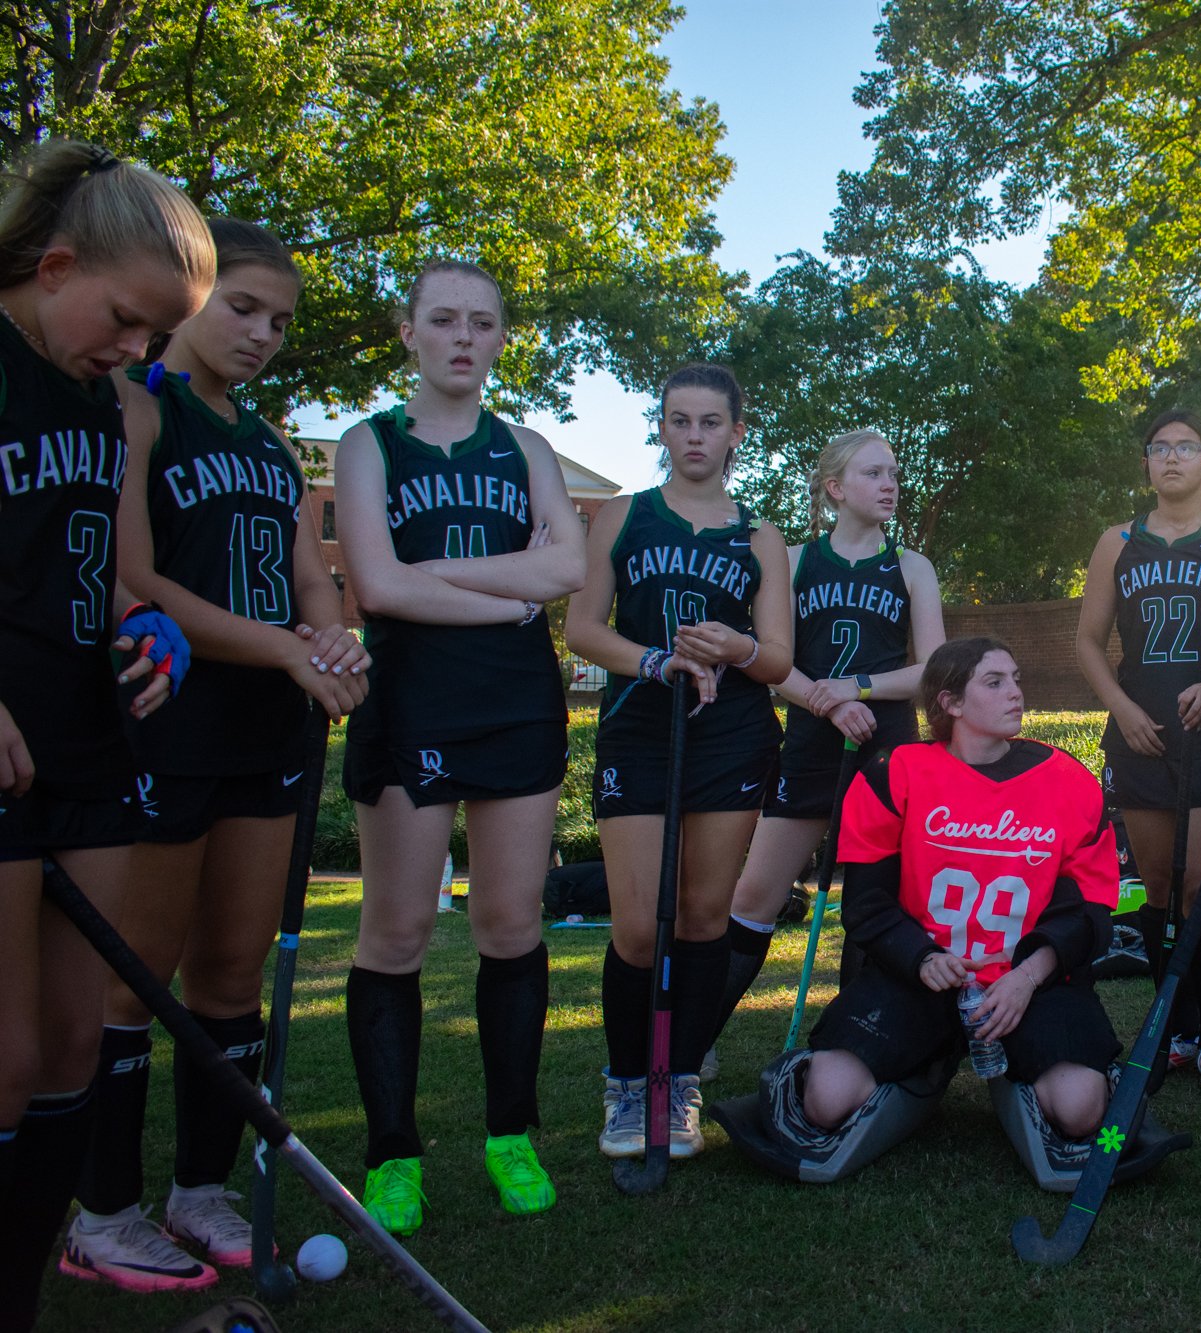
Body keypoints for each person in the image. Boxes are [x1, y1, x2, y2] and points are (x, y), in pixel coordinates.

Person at [60, 220, 367, 1293]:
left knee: (230, 974)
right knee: (131, 981)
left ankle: (198, 1189)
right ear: (189, 295)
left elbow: (308, 577)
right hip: (168, 716)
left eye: (280, 321)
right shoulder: (138, 406)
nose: (262, 334)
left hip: (267, 725)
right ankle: (101, 1212)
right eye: (241, 306)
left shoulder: (274, 444)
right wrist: (288, 646)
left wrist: (326, 635)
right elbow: (136, 579)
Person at [0, 140, 213, 1329]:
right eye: (130, 321)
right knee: (6, 1053)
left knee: (73, 1051)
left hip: (88, 742)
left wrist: (144, 624)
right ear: (57, 264)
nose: (138, 353)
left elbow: (91, 568)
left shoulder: (103, 400)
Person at [334, 260, 585, 1234]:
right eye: (442, 319)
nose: (462, 337)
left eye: (481, 322)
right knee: (394, 934)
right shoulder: (368, 445)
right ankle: (393, 1154)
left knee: (510, 925)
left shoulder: (524, 444)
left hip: (518, 705)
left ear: (499, 338)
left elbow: (567, 565)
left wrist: (439, 567)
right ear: (408, 332)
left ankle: (509, 1134)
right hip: (411, 704)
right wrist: (509, 597)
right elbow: (377, 589)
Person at [568, 363, 792, 1161]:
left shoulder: (759, 534)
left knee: (702, 920)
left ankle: (680, 1078)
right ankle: (628, 1083)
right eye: (678, 420)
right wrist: (658, 660)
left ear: (737, 432)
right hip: (640, 728)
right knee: (637, 926)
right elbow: (584, 630)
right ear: (661, 427)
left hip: (731, 735)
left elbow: (777, 658)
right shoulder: (626, 514)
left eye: (710, 422)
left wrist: (737, 646)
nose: (694, 436)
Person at [798, 638, 1121, 1157]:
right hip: (919, 974)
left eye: (1016, 679)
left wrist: (1026, 976)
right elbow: (866, 905)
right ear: (950, 704)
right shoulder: (893, 774)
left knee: (1082, 1111)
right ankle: (924, 1067)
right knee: (824, 1100)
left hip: (1028, 982)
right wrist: (921, 958)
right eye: (994, 683)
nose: (1016, 693)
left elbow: (1090, 912)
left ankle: (1019, 1078)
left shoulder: (1069, 783)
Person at [708, 428, 944, 1063]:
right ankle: (689, 1046)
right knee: (752, 899)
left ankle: (856, 1049)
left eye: (894, 473)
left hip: (886, 753)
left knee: (872, 907)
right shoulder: (792, 561)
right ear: (837, 488)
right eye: (873, 474)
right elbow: (770, 660)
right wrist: (827, 702)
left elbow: (932, 669)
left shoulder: (912, 567)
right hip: (812, 744)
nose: (890, 484)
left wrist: (858, 689)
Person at [1077, 409, 1201, 1089]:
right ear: (1146, 462)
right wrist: (1121, 709)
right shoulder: (1117, 541)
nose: (1172, 457)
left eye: (1187, 446)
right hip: (1141, 734)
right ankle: (1174, 1028)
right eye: (1160, 447)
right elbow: (1089, 641)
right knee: (1155, 889)